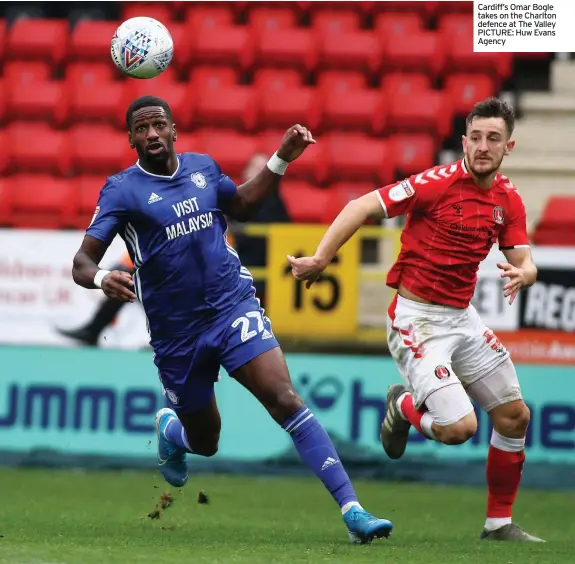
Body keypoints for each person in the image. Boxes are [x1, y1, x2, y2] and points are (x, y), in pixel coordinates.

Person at [70, 95, 392, 544]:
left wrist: (281, 159)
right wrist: (104, 277)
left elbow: (241, 205)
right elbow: (81, 263)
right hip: (176, 333)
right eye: (141, 129)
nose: (151, 135)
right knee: (207, 441)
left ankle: (353, 510)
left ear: (173, 129)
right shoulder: (122, 191)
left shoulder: (202, 167)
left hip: (231, 305)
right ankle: (171, 431)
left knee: (284, 398)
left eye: (158, 125)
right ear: (131, 139)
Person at [288, 97, 544, 543]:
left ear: (509, 147)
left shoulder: (508, 199)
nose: (484, 146)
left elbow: (524, 259)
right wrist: (322, 258)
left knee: (515, 417)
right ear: (464, 142)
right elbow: (361, 206)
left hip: (462, 318)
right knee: (460, 428)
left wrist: (527, 271)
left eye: (494, 139)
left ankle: (498, 525)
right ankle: (403, 406)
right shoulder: (437, 183)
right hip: (417, 319)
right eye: (477, 137)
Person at [60, 154, 287, 346]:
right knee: (127, 273)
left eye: (260, 169)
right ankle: (96, 330)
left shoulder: (273, 208)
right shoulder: (232, 198)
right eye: (253, 168)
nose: (255, 173)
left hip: (234, 279)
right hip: (201, 268)